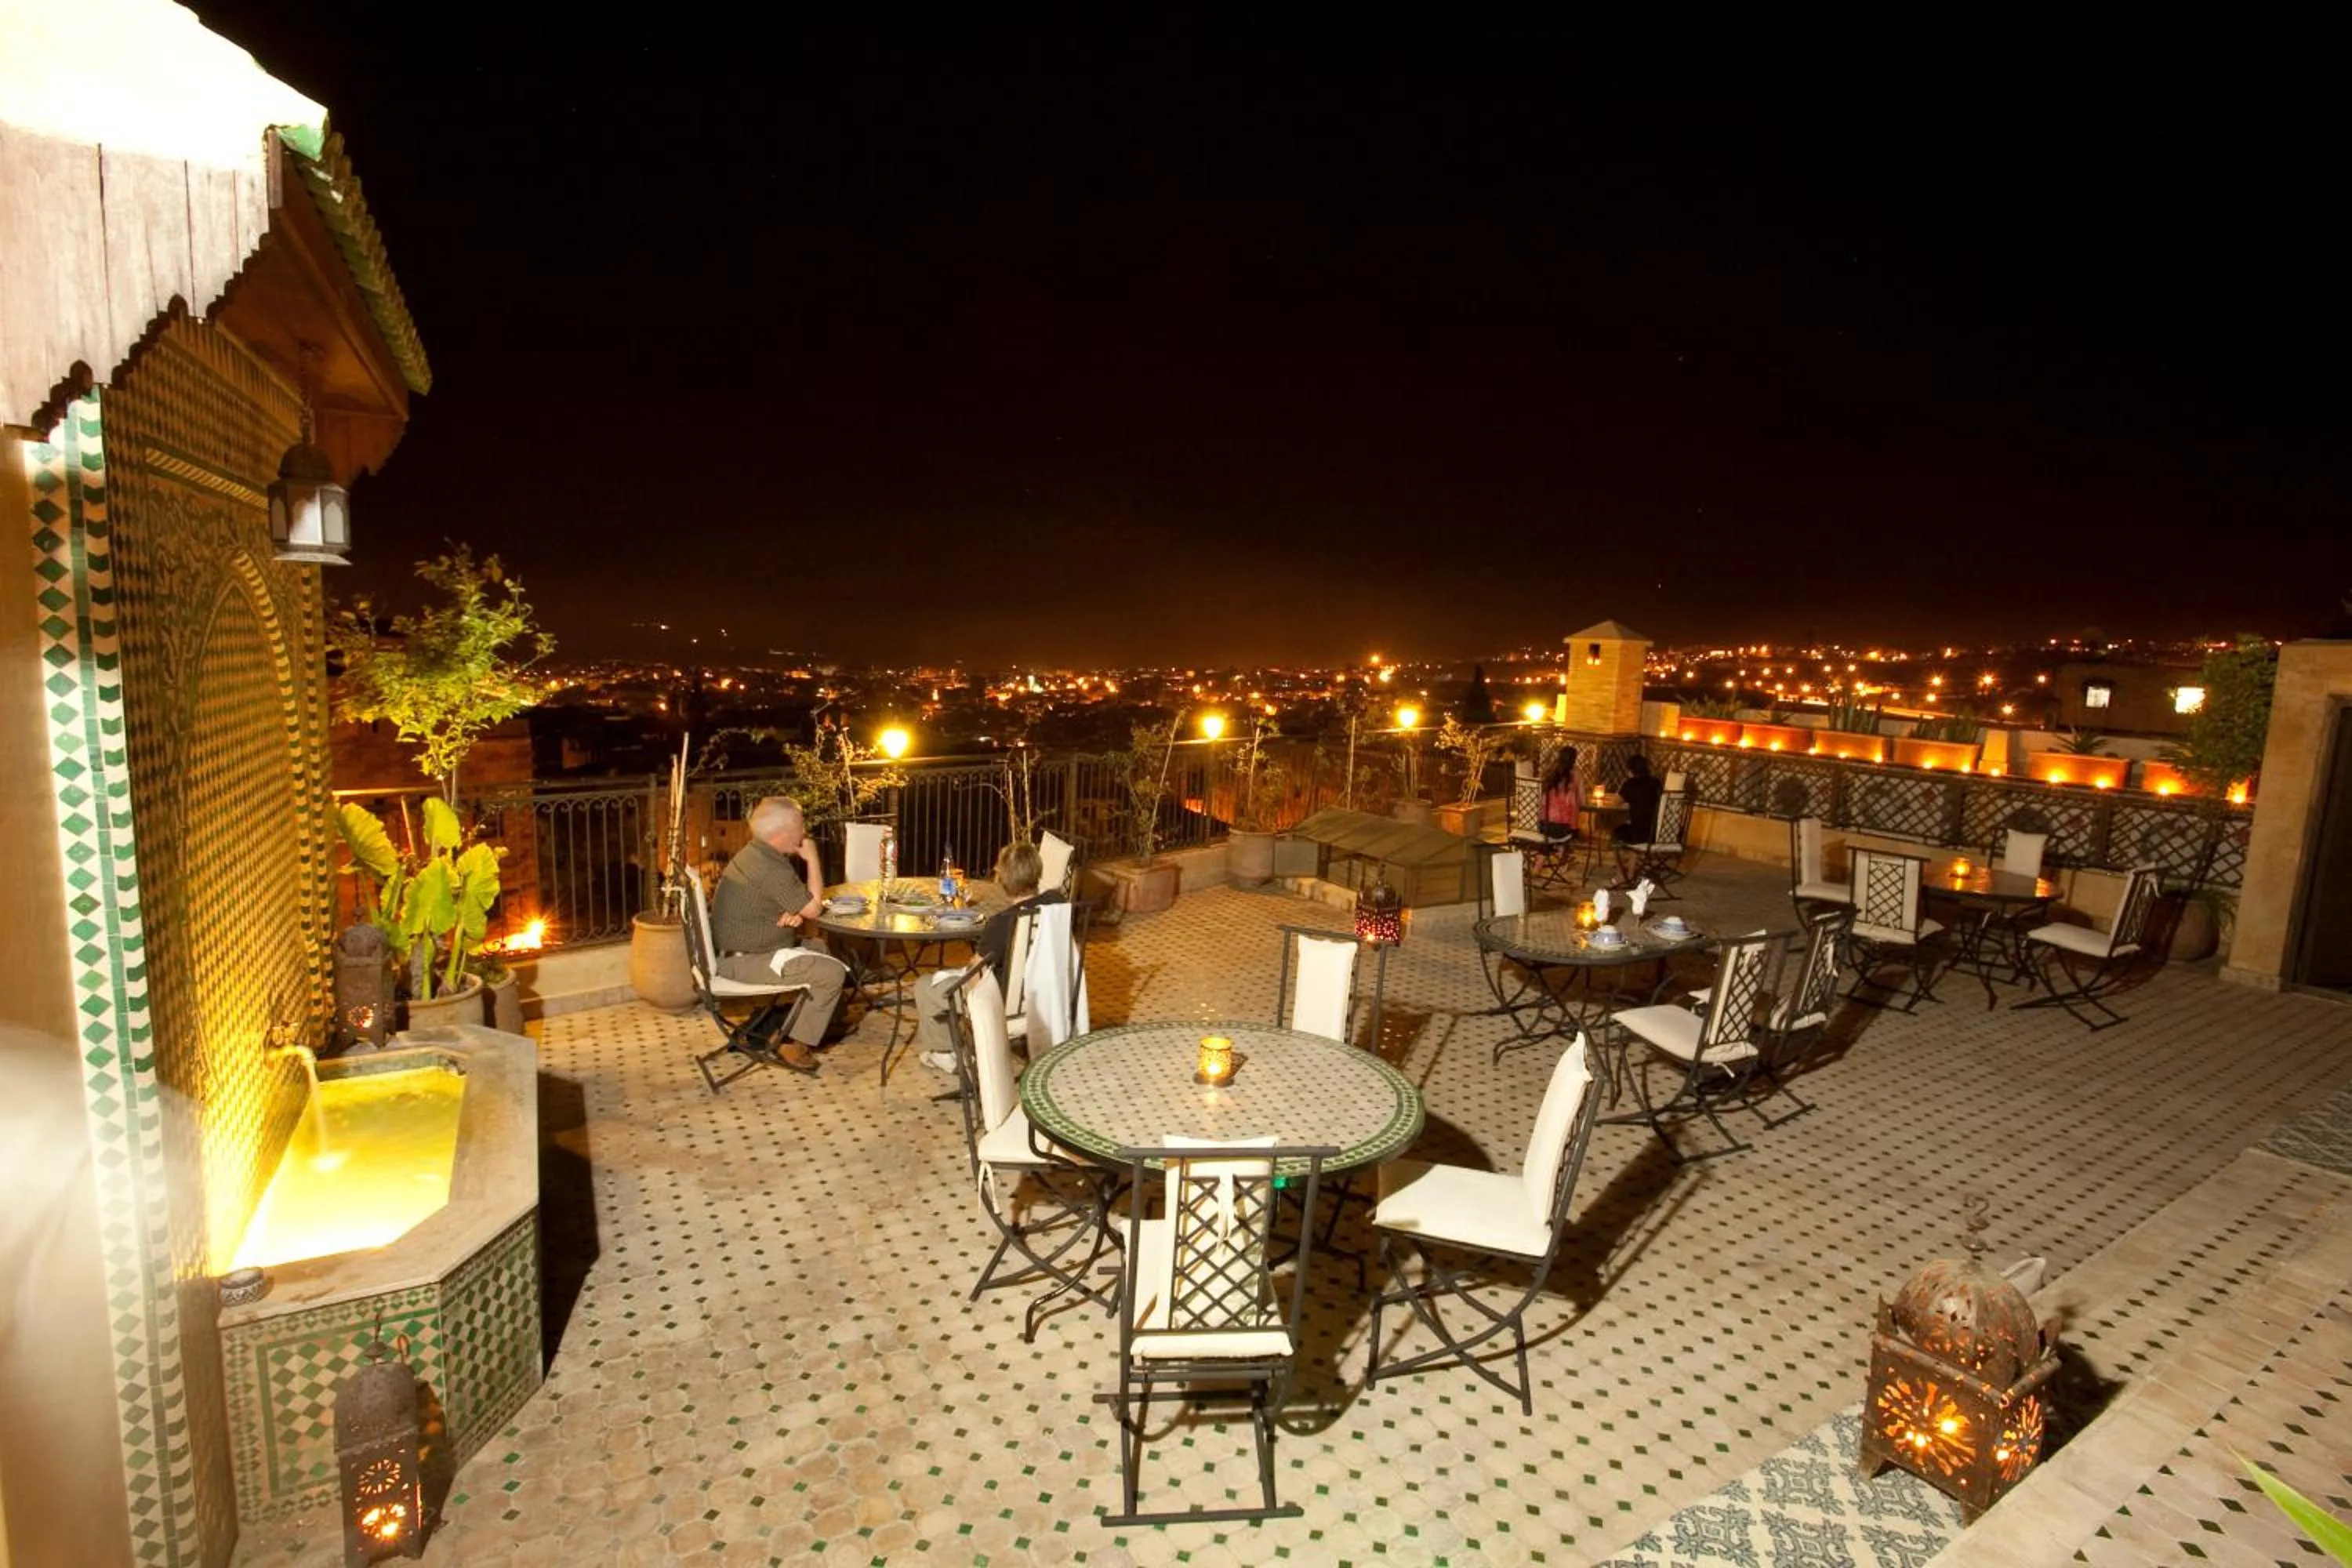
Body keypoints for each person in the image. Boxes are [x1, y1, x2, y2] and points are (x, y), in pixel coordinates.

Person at [709, 797, 846, 1074]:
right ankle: (794, 1045)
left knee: (818, 946)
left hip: (741, 952)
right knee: (831, 974)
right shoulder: (770, 866)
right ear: (783, 834)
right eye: (801, 825)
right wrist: (813, 859)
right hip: (743, 963)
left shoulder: (755, 854)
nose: (804, 832)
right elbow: (815, 909)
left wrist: (789, 913)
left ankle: (806, 1024)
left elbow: (779, 903)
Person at [917, 840, 1064, 1073]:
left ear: (1003, 879)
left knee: (925, 985)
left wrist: (961, 984)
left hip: (1006, 1003)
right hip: (1050, 995)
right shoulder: (1058, 903)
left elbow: (977, 978)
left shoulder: (1002, 923)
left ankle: (945, 1053)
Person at [1539, 746, 1581, 839]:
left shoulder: (1550, 772)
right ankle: (1561, 850)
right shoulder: (1576, 773)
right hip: (1563, 829)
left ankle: (1557, 848)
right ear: (1574, 759)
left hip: (1542, 825)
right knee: (1571, 821)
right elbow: (1583, 800)